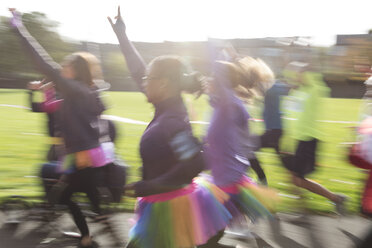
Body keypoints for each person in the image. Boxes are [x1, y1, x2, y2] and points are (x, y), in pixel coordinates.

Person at [108, 7, 231, 248]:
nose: (143, 82)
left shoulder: (172, 121)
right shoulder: (166, 107)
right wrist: (122, 34)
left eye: (148, 79)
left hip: (170, 209)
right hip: (159, 204)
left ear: (163, 84)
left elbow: (194, 163)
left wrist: (148, 186)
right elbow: (137, 69)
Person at [10, 9, 108, 247]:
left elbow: (43, 63)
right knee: (82, 188)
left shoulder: (75, 89)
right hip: (85, 152)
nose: (61, 69)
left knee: (66, 195)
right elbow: (49, 105)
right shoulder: (86, 90)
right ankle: (100, 218)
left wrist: (19, 27)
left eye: (66, 66)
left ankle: (90, 231)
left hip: (81, 154)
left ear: (75, 71)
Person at [204, 43, 277, 242]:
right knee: (212, 235)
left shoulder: (229, 103)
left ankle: (241, 231)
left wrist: (210, 43)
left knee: (208, 236)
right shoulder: (223, 103)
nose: (209, 79)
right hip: (224, 173)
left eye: (212, 77)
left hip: (226, 176)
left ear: (221, 81)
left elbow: (219, 70)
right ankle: (241, 229)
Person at [282, 61, 347, 213]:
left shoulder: (316, 89)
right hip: (298, 141)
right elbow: (291, 117)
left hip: (309, 140)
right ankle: (310, 207)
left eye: (300, 73)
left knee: (298, 180)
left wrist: (305, 70)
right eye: (296, 73)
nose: (297, 75)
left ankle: (336, 199)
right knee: (295, 179)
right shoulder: (296, 92)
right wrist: (288, 142)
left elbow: (314, 79)